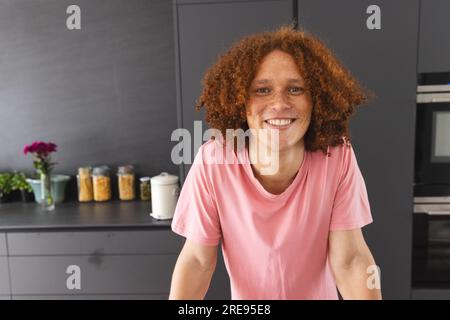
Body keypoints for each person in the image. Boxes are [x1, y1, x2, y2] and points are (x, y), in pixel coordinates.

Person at [169, 25, 382, 300]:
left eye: (295, 89)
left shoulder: (337, 157)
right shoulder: (213, 161)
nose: (279, 103)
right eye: (262, 90)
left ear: (317, 99)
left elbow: (351, 259)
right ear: (239, 102)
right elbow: (198, 261)